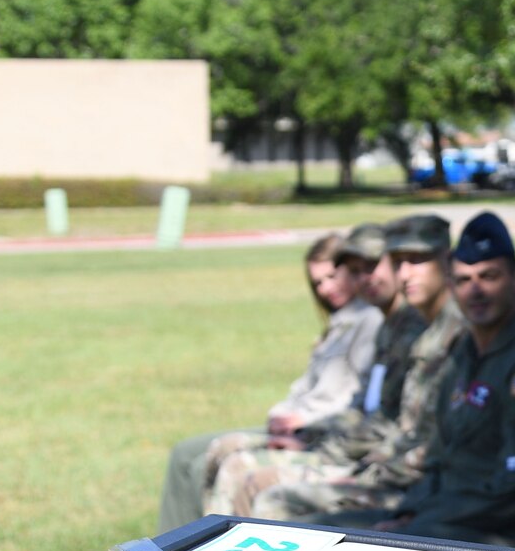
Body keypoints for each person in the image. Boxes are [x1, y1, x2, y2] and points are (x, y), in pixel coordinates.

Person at [211, 214, 466, 520]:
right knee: (236, 463)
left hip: (407, 482)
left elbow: (407, 431)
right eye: (355, 272)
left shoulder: (434, 333)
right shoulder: (401, 330)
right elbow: (377, 415)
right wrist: (311, 434)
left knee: (263, 490)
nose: (404, 274)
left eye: (373, 267)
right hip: (379, 464)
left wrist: (351, 464)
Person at [157, 226, 386, 530]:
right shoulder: (341, 321)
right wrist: (284, 412)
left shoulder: (370, 321)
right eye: (317, 282)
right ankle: (176, 549)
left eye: (333, 276)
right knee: (189, 454)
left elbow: (352, 402)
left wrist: (301, 423)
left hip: (318, 432)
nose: (325, 289)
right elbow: (307, 387)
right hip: (303, 424)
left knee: (215, 461)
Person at [368, 211, 515, 545]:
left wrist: (419, 520)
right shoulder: (462, 354)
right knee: (319, 527)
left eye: (489, 277)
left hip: (494, 533)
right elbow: (438, 455)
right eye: (463, 280)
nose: (475, 291)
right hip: (436, 514)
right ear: (452, 287)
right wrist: (409, 510)